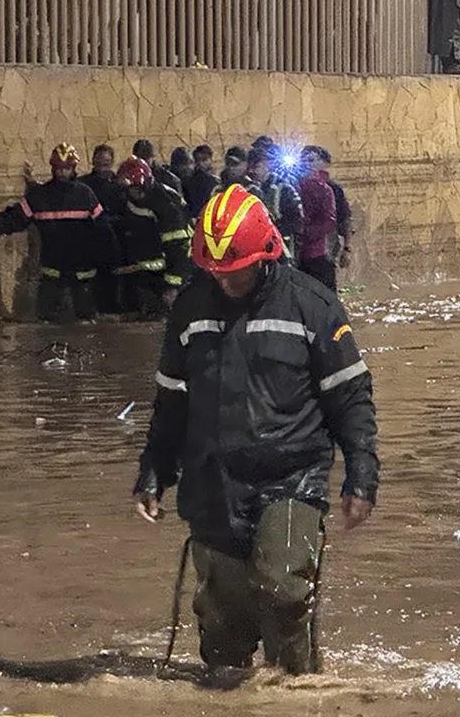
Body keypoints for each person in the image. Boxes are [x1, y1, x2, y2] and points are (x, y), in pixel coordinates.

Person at [134, 184, 379, 674]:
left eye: (237, 271)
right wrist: (153, 471)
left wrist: (361, 473)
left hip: (291, 479)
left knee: (283, 589)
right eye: (217, 272)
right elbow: (171, 403)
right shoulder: (190, 310)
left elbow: (349, 396)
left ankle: (297, 693)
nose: (227, 282)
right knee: (223, 629)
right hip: (212, 481)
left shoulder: (311, 306)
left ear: (266, 253)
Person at [0, 143, 112, 323]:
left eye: (66, 169)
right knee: (47, 325)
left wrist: (109, 264)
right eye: (58, 169)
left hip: (83, 275)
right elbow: (16, 216)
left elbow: (103, 230)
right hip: (52, 273)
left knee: (86, 324)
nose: (62, 173)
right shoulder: (41, 195)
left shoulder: (85, 194)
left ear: (73, 168)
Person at [115, 156, 193, 314]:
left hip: (171, 273)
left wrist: (173, 286)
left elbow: (179, 247)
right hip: (146, 275)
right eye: (130, 189)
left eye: (137, 189)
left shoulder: (165, 203)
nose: (134, 194)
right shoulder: (131, 201)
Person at [80, 144, 130, 314]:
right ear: (93, 161)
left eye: (107, 163)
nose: (103, 167)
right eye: (100, 162)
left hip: (117, 243)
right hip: (90, 243)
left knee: (114, 282)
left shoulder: (120, 185)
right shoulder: (84, 185)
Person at [248, 146, 304, 264]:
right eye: (250, 168)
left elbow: (296, 219)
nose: (253, 172)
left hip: (282, 249)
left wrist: (275, 231)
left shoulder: (283, 188)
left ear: (267, 165)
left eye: (257, 167)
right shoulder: (249, 189)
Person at [297, 146, 340, 291]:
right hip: (297, 254)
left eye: (311, 160)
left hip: (317, 253)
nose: (306, 164)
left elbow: (330, 220)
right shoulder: (290, 185)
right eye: (304, 160)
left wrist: (307, 233)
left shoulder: (326, 189)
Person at [316, 148, 354, 270]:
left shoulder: (332, 189)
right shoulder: (291, 186)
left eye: (312, 160)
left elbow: (344, 219)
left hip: (326, 252)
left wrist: (347, 249)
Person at [184, 145, 220, 221]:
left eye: (204, 160)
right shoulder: (188, 181)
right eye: (197, 160)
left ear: (211, 159)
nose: (200, 164)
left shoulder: (215, 181)